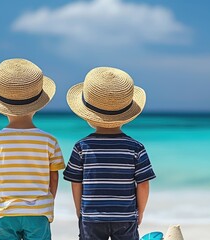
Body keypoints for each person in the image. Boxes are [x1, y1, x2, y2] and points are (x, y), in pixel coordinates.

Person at [0, 58, 65, 240]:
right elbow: (54, 178)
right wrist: (48, 203)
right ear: (38, 105)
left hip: (4, 212)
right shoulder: (49, 141)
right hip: (38, 214)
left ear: (0, 106)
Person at [63, 67, 156, 240]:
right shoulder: (136, 147)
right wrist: (140, 212)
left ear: (88, 115)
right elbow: (143, 184)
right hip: (125, 217)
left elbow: (76, 183)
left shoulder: (81, 147)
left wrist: (79, 210)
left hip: (91, 217)